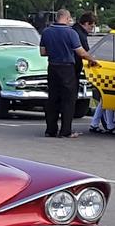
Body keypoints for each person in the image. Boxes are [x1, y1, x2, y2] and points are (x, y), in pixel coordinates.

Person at [40, 9, 98, 138]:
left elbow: (43, 52)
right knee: (68, 100)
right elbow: (81, 52)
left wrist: (55, 52)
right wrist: (92, 59)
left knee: (53, 99)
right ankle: (65, 131)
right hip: (67, 68)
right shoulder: (71, 33)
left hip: (52, 67)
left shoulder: (46, 32)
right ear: (67, 18)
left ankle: (50, 130)